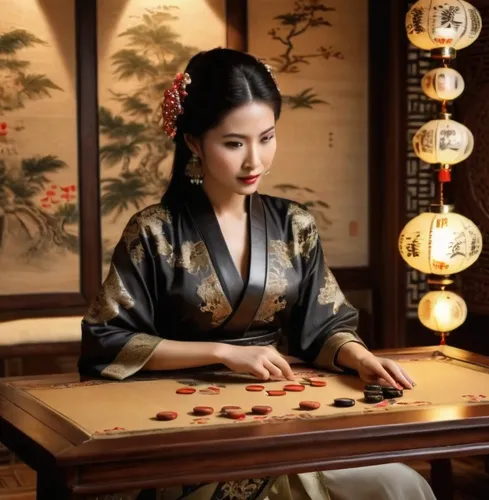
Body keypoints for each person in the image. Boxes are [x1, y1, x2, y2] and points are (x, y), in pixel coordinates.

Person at [79, 48, 436, 500]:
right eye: (234, 143)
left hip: (280, 414)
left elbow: (324, 324)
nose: (255, 161)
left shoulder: (294, 224)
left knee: (398, 483)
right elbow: (106, 339)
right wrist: (223, 352)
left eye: (266, 137)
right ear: (193, 142)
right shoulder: (154, 231)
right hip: (187, 427)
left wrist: (361, 359)